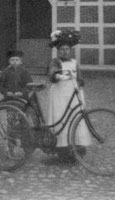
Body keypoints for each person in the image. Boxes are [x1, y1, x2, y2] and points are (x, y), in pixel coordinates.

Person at [46, 29, 91, 161]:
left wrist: (79, 85)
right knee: (60, 119)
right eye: (62, 50)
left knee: (75, 117)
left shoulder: (74, 63)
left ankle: (76, 146)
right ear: (58, 51)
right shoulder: (55, 62)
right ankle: (62, 148)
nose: (65, 52)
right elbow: (52, 74)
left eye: (67, 49)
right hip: (59, 95)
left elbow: (80, 78)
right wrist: (58, 75)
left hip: (73, 94)